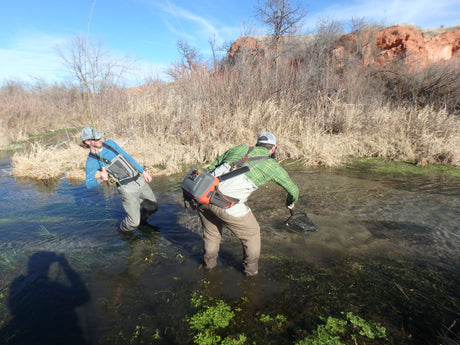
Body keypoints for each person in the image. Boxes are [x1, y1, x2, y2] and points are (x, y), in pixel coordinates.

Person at [194, 131, 299, 276]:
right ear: (273, 148)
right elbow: (293, 190)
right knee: (252, 233)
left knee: (211, 234)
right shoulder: (271, 165)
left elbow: (211, 169)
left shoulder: (238, 148)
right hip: (224, 204)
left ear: (257, 144)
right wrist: (290, 203)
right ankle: (251, 271)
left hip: (203, 196)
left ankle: (209, 266)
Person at [80, 126, 158, 233]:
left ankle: (142, 220)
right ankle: (122, 232)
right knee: (133, 222)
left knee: (153, 207)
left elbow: (127, 156)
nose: (101, 139)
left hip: (139, 180)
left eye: (100, 137)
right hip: (126, 188)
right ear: (87, 142)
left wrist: (143, 171)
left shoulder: (110, 144)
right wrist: (101, 179)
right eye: (97, 139)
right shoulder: (91, 162)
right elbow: (89, 184)